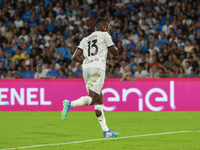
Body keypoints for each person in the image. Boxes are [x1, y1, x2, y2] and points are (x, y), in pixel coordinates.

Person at [61, 17, 119, 138]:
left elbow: (75, 56)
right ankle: (70, 104)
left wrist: (87, 62)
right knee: (92, 98)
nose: (109, 29)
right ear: (103, 27)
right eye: (109, 26)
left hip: (86, 69)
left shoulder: (85, 39)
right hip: (98, 68)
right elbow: (115, 52)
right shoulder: (104, 35)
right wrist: (115, 46)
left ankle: (106, 131)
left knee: (99, 100)